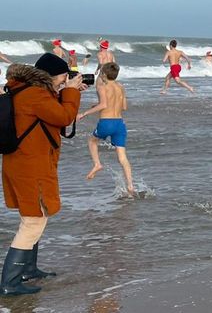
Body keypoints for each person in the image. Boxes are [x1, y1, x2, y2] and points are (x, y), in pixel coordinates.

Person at [2, 53, 84, 295]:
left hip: (22, 163)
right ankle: (10, 282)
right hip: (31, 166)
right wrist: (71, 93)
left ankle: (29, 269)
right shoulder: (35, 94)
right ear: (50, 76)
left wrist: (66, 92)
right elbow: (64, 117)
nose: (64, 80)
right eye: (62, 76)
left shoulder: (26, 91)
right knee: (34, 220)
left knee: (36, 215)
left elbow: (51, 116)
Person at [76, 63, 136, 195]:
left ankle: (97, 164)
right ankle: (131, 186)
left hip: (106, 123)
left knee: (92, 141)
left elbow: (103, 104)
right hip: (119, 124)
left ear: (103, 74)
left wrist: (84, 113)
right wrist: (100, 105)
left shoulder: (102, 87)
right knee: (122, 158)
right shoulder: (120, 87)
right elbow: (124, 107)